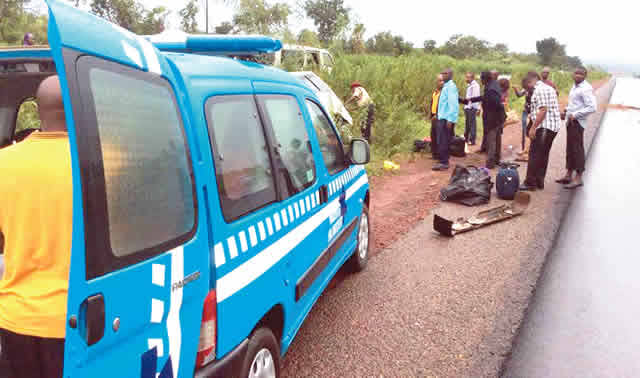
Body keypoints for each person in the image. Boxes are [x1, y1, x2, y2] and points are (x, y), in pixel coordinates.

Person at [0, 75, 72, 378]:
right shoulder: (101, 161)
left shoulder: (3, 162)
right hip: (77, 319)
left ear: (38, 110)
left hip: (15, 317)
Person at [519, 71, 562, 191]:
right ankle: (539, 181)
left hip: (544, 126)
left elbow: (543, 110)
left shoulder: (539, 90)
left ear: (529, 82)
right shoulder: (547, 88)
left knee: (534, 154)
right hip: (551, 126)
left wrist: (533, 128)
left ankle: (530, 183)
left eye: (526, 87)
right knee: (543, 154)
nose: (527, 90)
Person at [556, 67, 597, 189]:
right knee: (570, 148)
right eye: (576, 73)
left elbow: (592, 107)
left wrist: (576, 115)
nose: (578, 75)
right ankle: (568, 174)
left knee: (577, 149)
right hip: (571, 121)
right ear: (572, 74)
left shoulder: (586, 88)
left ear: (585, 76)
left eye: (581, 74)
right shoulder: (575, 87)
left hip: (578, 122)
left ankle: (578, 177)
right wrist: (566, 112)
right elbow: (574, 104)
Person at [463, 71, 505, 168]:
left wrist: (489, 112)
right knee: (497, 138)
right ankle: (497, 159)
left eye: (481, 79)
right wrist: (472, 99)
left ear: (485, 79)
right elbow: (486, 97)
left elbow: (494, 102)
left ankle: (490, 163)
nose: (481, 81)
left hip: (493, 118)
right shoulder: (494, 84)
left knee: (492, 140)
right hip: (498, 117)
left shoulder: (490, 89)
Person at [432, 68, 459, 171]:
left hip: (446, 119)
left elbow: (453, 104)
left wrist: (450, 119)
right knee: (441, 140)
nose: (443, 75)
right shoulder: (446, 86)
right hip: (441, 117)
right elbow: (443, 104)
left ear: (451, 75)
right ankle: (442, 160)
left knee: (443, 140)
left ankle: (444, 162)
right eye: (442, 73)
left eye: (446, 73)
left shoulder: (451, 87)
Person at [513, 76, 535, 154]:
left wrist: (532, 113)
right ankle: (524, 149)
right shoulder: (526, 89)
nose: (525, 88)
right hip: (526, 111)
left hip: (532, 112)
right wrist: (515, 89)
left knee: (531, 130)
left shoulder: (535, 90)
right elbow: (519, 95)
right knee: (524, 131)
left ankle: (529, 149)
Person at [425, 73, 445, 160]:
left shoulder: (444, 92)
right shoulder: (435, 92)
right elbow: (433, 103)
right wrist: (430, 115)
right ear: (436, 82)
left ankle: (441, 157)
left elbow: (444, 106)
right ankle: (435, 155)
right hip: (433, 116)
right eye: (440, 81)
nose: (441, 82)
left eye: (443, 81)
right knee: (433, 135)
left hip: (440, 116)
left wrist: (437, 115)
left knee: (440, 137)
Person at [463, 72, 481, 145]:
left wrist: (475, 108)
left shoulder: (475, 86)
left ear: (472, 78)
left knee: (472, 124)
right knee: (467, 124)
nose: (466, 79)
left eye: (468, 77)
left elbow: (475, 98)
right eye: (466, 77)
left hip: (472, 108)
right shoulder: (469, 85)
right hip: (468, 107)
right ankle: (466, 139)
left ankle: (472, 140)